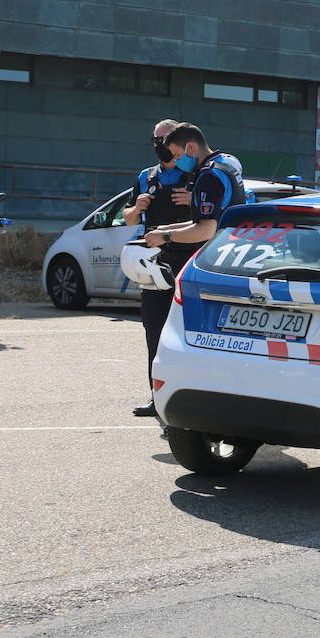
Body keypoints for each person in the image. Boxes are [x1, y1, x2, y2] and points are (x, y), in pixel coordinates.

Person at [125, 119, 196, 418]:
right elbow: (128, 219)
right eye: (155, 139)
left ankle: (193, 400)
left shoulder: (196, 174)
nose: (160, 145)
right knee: (154, 330)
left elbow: (219, 213)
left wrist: (194, 200)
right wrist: (137, 208)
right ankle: (157, 399)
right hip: (154, 262)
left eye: (165, 138)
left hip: (191, 260)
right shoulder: (146, 176)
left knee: (189, 332)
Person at [143, 121, 246, 249]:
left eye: (177, 155)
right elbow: (209, 220)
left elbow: (206, 230)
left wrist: (166, 236)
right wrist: (165, 229)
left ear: (190, 147)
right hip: (233, 245)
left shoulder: (208, 176)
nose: (176, 160)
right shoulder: (224, 166)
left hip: (220, 250)